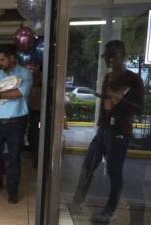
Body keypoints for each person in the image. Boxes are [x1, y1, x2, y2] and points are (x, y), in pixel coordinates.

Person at [71, 40, 144, 223]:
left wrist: (118, 100)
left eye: (115, 56)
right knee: (88, 165)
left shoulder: (133, 79)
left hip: (119, 132)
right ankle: (77, 202)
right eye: (108, 57)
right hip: (103, 130)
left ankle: (110, 210)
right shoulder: (107, 78)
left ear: (124, 56)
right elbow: (106, 104)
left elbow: (139, 109)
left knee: (113, 171)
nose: (111, 61)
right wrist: (106, 102)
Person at [0, 46, 32, 204]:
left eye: (2, 59)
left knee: (14, 157)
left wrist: (0, 94)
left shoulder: (24, 74)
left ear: (12, 58)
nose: (0, 63)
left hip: (16, 122)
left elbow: (19, 93)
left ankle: (12, 191)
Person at [27, 65, 42, 168]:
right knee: (33, 135)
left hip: (39, 115)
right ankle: (34, 156)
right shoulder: (32, 87)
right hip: (33, 114)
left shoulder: (40, 88)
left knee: (37, 136)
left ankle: (37, 159)